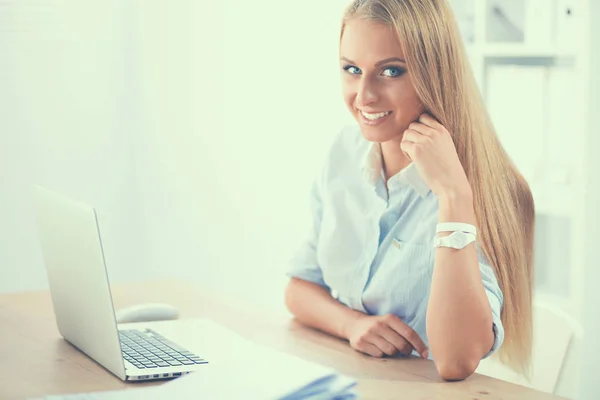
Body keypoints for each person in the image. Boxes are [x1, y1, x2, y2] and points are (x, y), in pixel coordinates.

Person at [284, 0, 534, 382]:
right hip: (349, 380)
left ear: (435, 72)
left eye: (391, 71)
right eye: (352, 69)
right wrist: (352, 325)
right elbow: (299, 289)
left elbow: (455, 361)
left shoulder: (486, 189)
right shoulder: (343, 154)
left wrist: (453, 198)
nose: (364, 95)